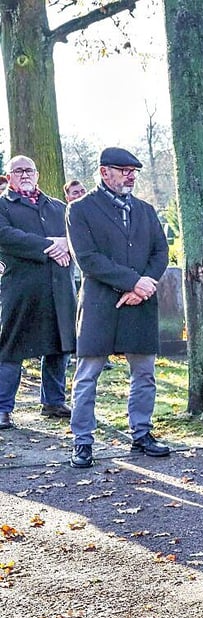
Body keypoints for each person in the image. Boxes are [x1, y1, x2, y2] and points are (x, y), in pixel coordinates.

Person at [66, 147, 170, 469]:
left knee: (144, 374)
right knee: (88, 375)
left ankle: (142, 433)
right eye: (123, 170)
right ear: (104, 172)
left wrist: (145, 285)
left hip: (140, 304)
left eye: (134, 171)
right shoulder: (80, 209)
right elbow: (88, 259)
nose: (131, 176)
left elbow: (160, 252)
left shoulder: (145, 210)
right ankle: (82, 441)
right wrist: (132, 282)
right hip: (100, 304)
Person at [0, 156, 77, 430]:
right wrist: (49, 245)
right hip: (21, 289)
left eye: (29, 170)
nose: (24, 174)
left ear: (38, 173)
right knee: (11, 346)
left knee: (60, 344)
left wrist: (65, 243)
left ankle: (54, 401)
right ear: (8, 176)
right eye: (17, 171)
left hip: (60, 288)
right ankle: (3, 408)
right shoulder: (2, 205)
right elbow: (5, 236)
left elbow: (77, 237)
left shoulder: (58, 206)